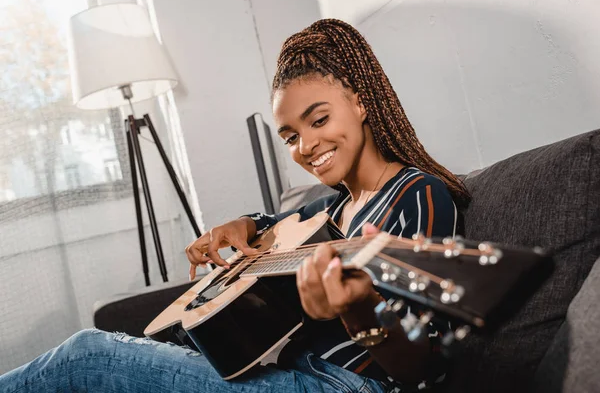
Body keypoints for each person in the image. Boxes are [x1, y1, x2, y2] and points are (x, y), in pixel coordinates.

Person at [0, 19, 470, 392]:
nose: (306, 146)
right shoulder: (333, 210)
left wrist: (359, 309)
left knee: (85, 357)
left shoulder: (418, 194)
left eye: (319, 119)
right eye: (289, 137)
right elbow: (278, 230)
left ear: (360, 100)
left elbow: (424, 368)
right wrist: (244, 224)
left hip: (345, 385)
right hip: (289, 372)